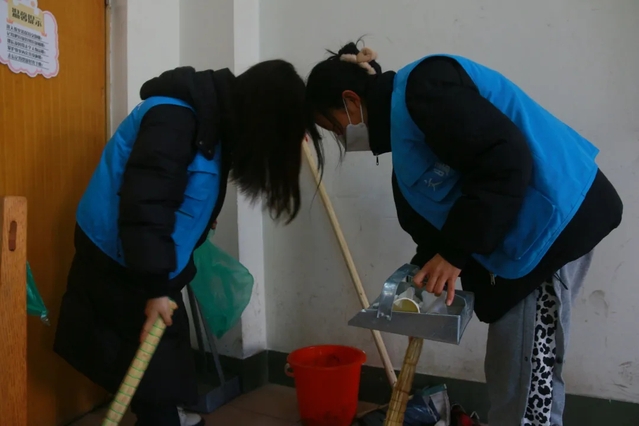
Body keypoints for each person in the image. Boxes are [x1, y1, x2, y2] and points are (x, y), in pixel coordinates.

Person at [305, 42, 623, 426]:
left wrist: (454, 253)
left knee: (522, 384)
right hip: (528, 238)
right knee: (512, 373)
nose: (342, 137)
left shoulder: (424, 89)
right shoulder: (406, 138)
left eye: (335, 126)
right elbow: (442, 214)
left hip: (550, 229)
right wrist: (423, 276)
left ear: (352, 101)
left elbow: (505, 160)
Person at [53, 61, 322, 426]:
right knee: (154, 364)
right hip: (119, 257)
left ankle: (165, 414)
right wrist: (155, 287)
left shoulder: (215, 123)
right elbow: (145, 204)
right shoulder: (174, 118)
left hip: (149, 258)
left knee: (164, 356)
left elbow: (184, 187)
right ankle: (163, 417)